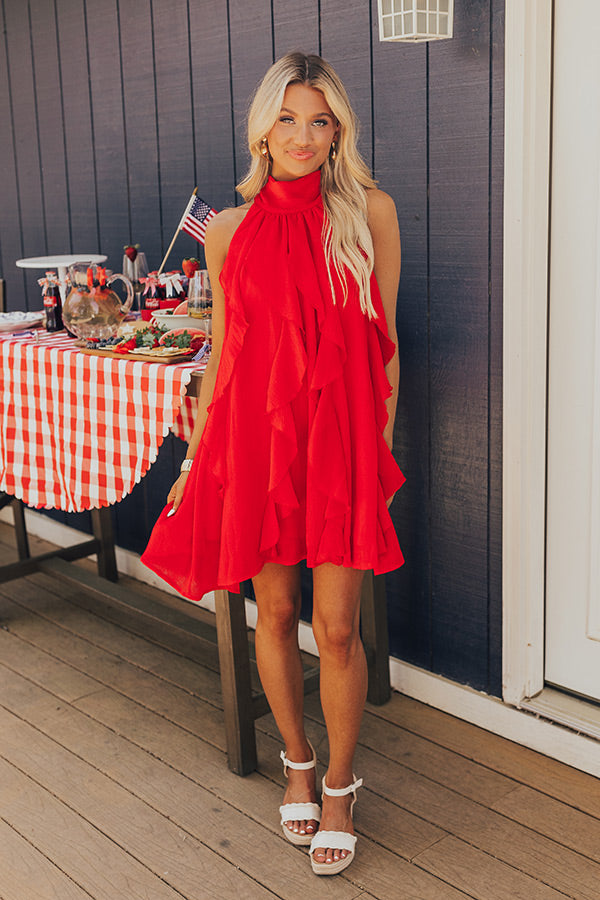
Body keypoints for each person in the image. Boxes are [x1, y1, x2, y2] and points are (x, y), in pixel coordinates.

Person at [142, 51, 405, 876]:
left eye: (319, 120)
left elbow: (386, 348)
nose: (303, 136)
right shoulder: (226, 229)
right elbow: (225, 351)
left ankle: (338, 783)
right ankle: (296, 759)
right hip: (254, 443)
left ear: (338, 131)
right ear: (263, 127)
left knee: (336, 626)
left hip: (341, 443)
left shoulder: (371, 212)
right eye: (287, 119)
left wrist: (379, 456)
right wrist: (198, 452)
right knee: (275, 609)